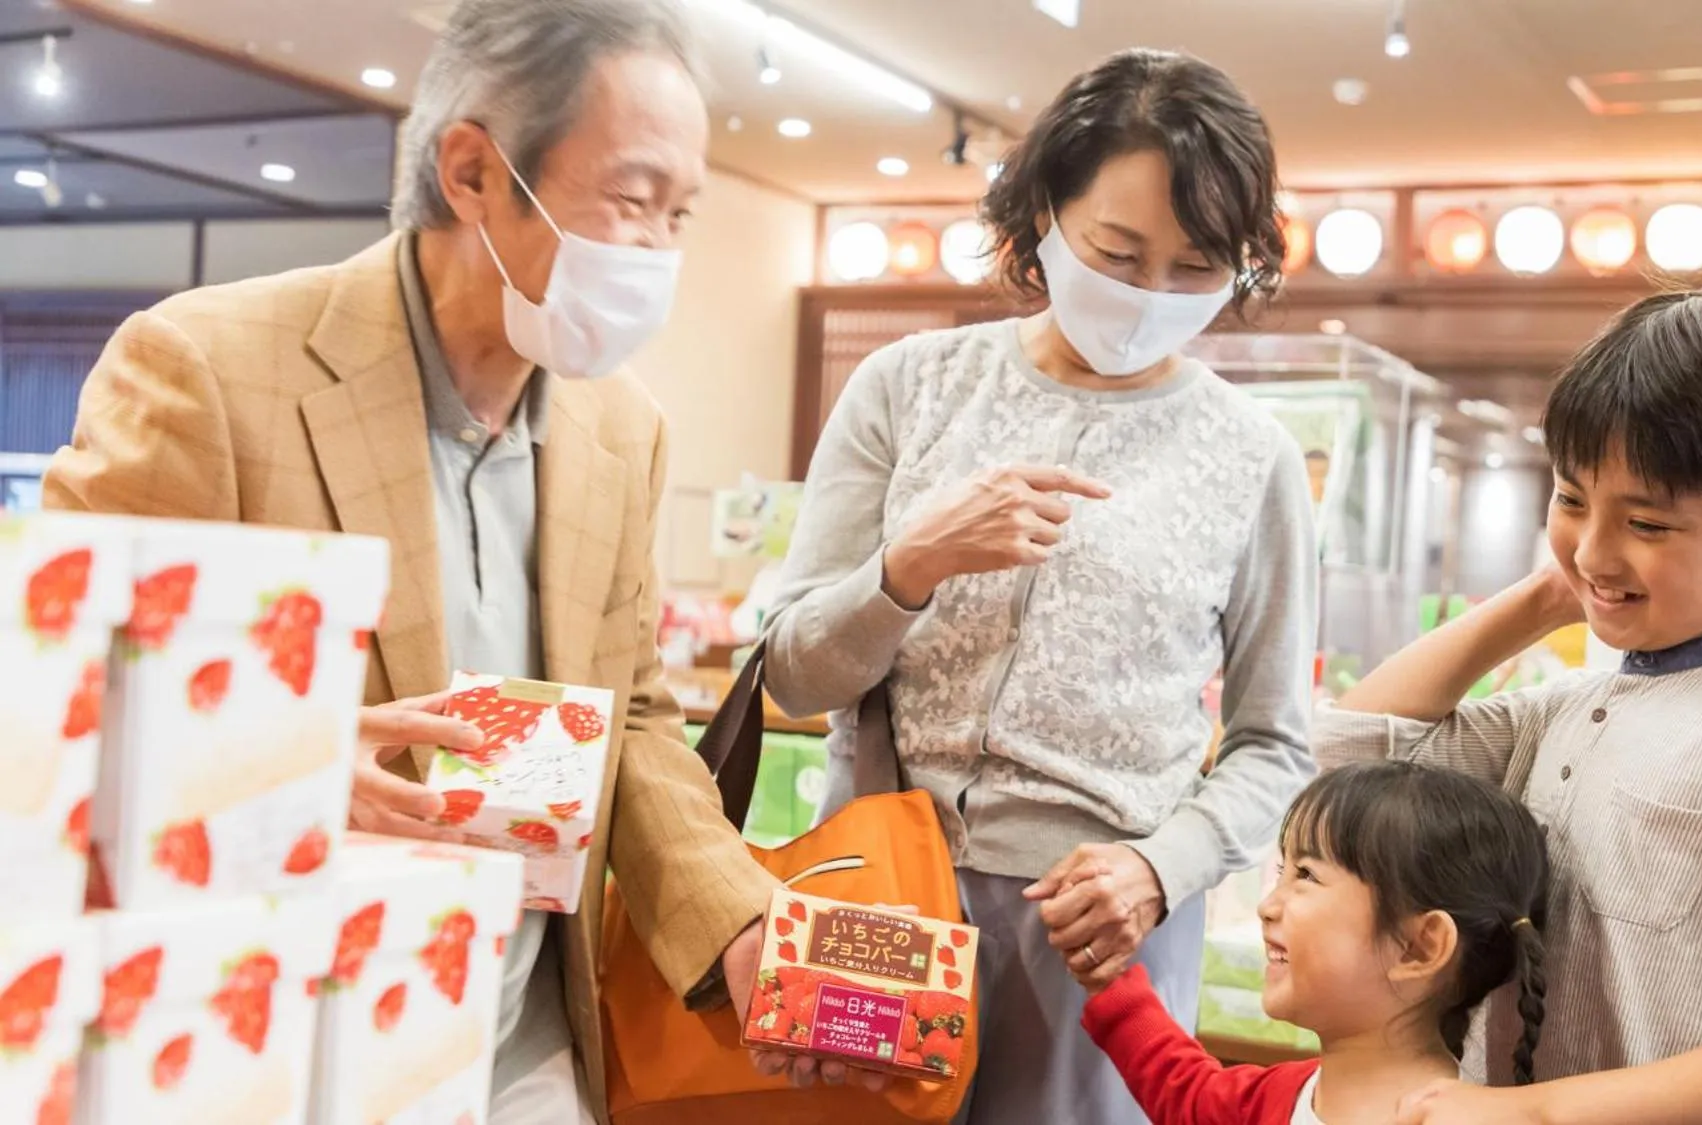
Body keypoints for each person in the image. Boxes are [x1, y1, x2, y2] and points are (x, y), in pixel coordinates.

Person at [40, 2, 796, 1121]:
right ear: (473, 171)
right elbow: (51, 685)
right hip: (276, 1043)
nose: (657, 253)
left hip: (529, 1047)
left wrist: (736, 920)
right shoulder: (210, 368)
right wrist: (277, 769)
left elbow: (632, 715)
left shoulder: (619, 429)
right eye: (631, 201)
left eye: (679, 215)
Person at [761, 48, 1319, 1124]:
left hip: (1101, 929)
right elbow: (789, 674)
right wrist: (909, 568)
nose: (1151, 294)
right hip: (875, 885)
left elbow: (1275, 743)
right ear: (1042, 219)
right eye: (1118, 251)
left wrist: (1161, 869)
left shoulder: (1251, 455)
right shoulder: (909, 388)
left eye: (1198, 266)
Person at [1318, 287, 1702, 1125]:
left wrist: (1537, 1113)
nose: (1592, 548)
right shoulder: (1569, 706)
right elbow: (1345, 753)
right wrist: (1536, 601)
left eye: (1647, 523)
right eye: (1569, 498)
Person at [1080, 761, 1552, 1124]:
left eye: (1305, 875)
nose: (1268, 906)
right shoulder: (1281, 1095)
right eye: (1281, 871)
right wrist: (1109, 983)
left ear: (1419, 947)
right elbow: (1188, 1092)